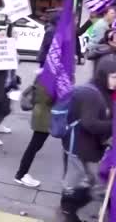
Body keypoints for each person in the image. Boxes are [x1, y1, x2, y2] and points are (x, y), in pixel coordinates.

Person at [59, 55, 115, 222]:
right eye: (113, 77)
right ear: (103, 75)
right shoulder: (91, 94)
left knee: (88, 183)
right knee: (84, 184)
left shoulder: (103, 91)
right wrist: (113, 124)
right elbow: (89, 124)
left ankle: (70, 209)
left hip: (88, 146)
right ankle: (68, 211)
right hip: (80, 147)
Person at [14, 80, 52, 188]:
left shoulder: (45, 75)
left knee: (35, 146)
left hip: (42, 115)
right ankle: (21, 174)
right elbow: (47, 98)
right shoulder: (50, 80)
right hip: (44, 118)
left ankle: (21, 174)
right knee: (34, 146)